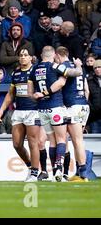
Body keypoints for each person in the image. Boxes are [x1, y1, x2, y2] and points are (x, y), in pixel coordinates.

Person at [28, 46, 83, 182]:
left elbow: (30, 92)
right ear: (53, 55)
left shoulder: (34, 69)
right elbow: (73, 74)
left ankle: (53, 172)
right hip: (56, 107)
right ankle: (59, 169)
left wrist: (37, 95)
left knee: (51, 141)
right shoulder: (55, 66)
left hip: (42, 108)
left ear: (41, 55)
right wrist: (79, 66)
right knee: (61, 139)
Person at [0, 49, 41, 182]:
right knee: (16, 144)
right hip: (19, 111)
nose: (22, 57)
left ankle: (34, 172)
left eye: (25, 55)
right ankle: (29, 166)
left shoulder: (35, 72)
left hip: (33, 110)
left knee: (33, 143)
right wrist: (2, 109)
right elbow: (11, 94)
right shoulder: (15, 73)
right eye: (21, 55)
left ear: (30, 58)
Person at [55, 46, 90, 182]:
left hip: (73, 106)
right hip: (83, 105)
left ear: (58, 55)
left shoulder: (63, 67)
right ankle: (79, 172)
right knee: (76, 140)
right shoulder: (78, 66)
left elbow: (61, 84)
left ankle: (83, 174)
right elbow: (87, 90)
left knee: (74, 140)